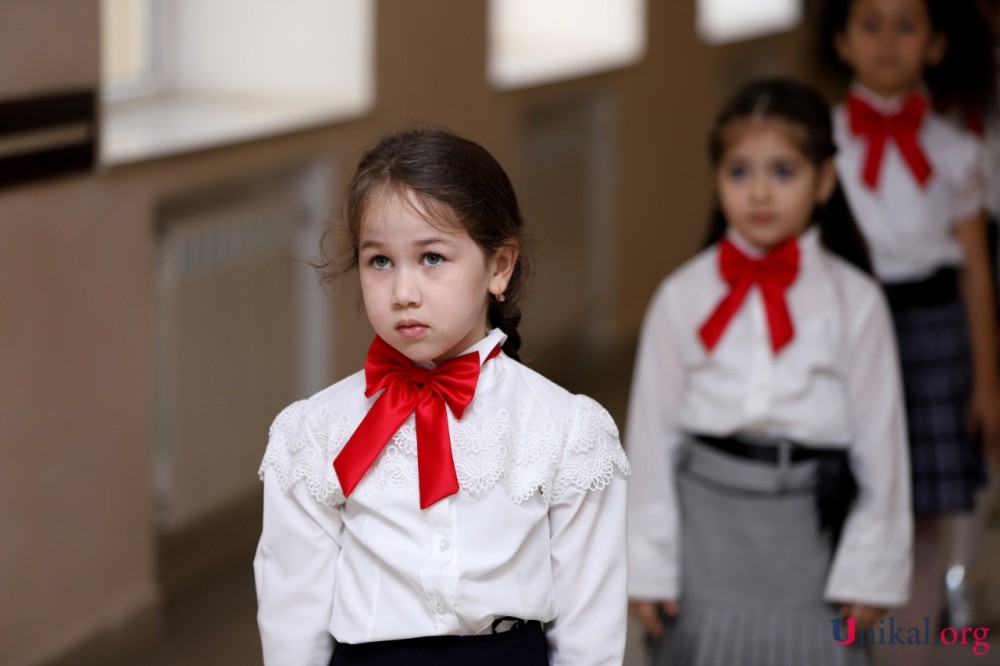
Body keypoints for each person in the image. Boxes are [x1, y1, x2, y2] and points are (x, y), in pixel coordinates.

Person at [253, 127, 630, 666]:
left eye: (432, 258)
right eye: (379, 261)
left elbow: (590, 625)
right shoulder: (313, 433)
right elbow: (293, 617)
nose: (404, 293)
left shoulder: (565, 430)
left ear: (499, 267)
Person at [626, 78, 912, 666]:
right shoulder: (681, 296)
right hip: (707, 538)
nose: (759, 192)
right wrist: (647, 566)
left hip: (810, 543)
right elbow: (651, 440)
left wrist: (871, 568)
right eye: (739, 172)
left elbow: (882, 446)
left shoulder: (855, 301)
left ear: (824, 180)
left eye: (783, 172)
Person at [818, 0, 1000, 654]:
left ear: (936, 45)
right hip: (847, 334)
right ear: (841, 42)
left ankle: (912, 651)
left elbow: (977, 271)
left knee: (921, 517)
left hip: (931, 337)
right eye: (870, 24)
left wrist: (987, 381)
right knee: (851, 505)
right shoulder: (821, 141)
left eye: (906, 25)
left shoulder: (957, 149)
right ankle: (847, 643)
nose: (887, 40)